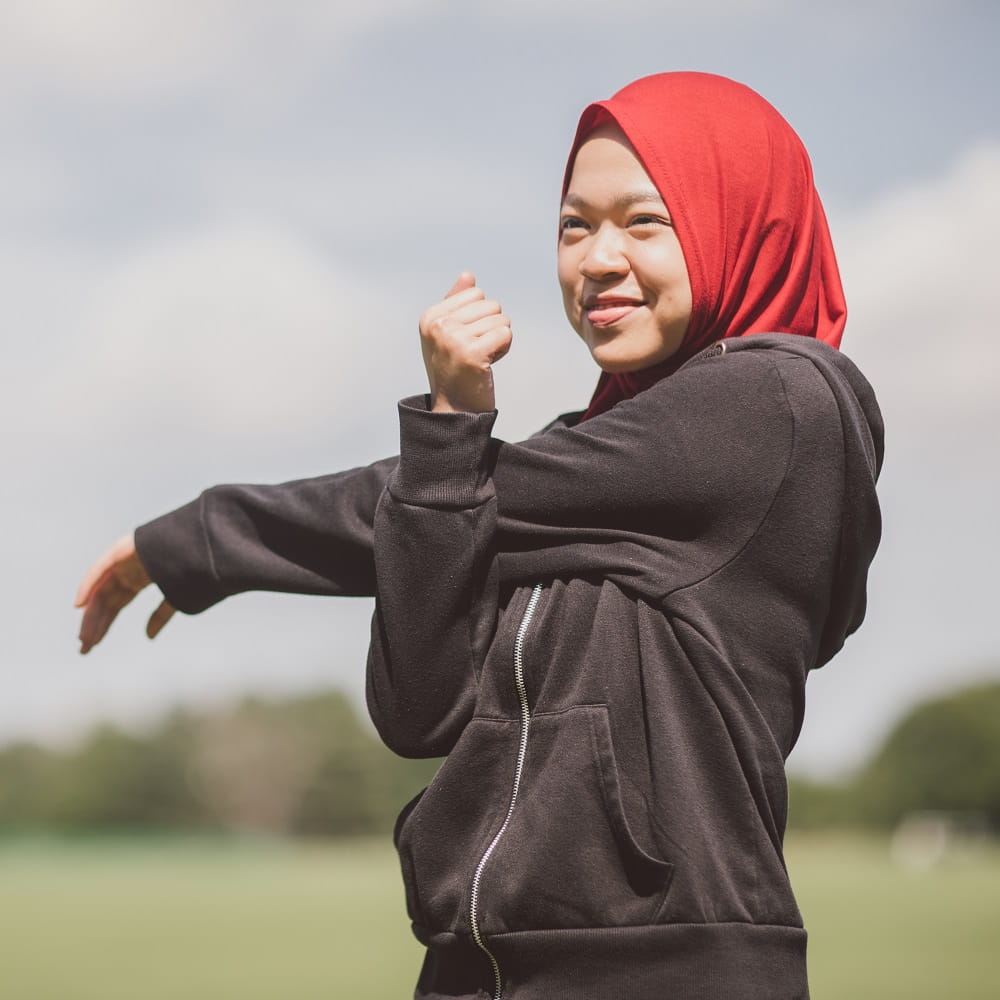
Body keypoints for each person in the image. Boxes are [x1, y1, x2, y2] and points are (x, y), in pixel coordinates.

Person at [76, 72, 883, 999]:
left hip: (666, 971)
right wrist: (454, 423)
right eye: (574, 225)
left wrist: (204, 539)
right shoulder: (583, 473)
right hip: (471, 974)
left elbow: (437, 494)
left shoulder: (781, 404)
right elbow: (419, 716)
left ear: (743, 221)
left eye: (646, 221)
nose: (599, 259)